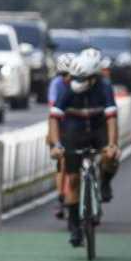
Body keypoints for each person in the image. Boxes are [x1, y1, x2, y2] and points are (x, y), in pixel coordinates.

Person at [48, 48, 120, 247]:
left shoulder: (104, 87)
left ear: (93, 77)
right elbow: (54, 119)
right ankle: (74, 227)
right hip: (74, 131)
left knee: (111, 157)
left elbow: (112, 118)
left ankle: (105, 182)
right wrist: (56, 145)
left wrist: (113, 145)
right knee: (73, 179)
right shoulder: (65, 88)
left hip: (98, 130)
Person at [49, 53, 76, 219]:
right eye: (63, 75)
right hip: (63, 124)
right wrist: (53, 138)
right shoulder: (56, 85)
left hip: (81, 123)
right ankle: (60, 197)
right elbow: (53, 113)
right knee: (62, 160)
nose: (67, 79)